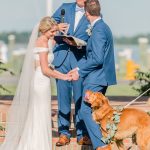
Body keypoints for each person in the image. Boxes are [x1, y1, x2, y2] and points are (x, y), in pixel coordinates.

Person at [0, 16, 71, 150]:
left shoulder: (44, 40)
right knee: (40, 114)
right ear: (44, 31)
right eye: (51, 32)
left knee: (39, 114)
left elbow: (41, 60)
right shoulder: (42, 43)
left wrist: (58, 28)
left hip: (40, 81)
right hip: (41, 82)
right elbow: (45, 70)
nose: (54, 34)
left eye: (54, 31)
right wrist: (64, 76)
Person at [69, 0, 117, 149]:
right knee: (97, 111)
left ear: (86, 13)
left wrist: (79, 70)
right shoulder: (102, 26)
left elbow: (97, 58)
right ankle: (103, 142)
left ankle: (102, 146)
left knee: (84, 110)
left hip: (96, 78)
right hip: (99, 76)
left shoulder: (98, 30)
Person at [52, 0, 92, 146]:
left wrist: (81, 43)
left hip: (80, 60)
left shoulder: (92, 10)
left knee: (80, 98)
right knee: (63, 98)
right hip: (61, 58)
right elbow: (47, 26)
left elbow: (95, 36)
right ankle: (63, 133)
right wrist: (56, 27)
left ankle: (82, 133)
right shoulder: (64, 7)